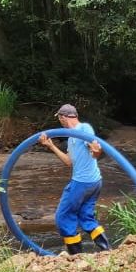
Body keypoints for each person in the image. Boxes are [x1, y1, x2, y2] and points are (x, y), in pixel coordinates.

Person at [39, 104, 110, 254]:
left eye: (59, 118)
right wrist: (51, 146)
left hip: (82, 183)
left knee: (63, 217)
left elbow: (95, 151)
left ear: (63, 117)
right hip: (94, 182)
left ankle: (76, 257)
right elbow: (69, 162)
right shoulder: (71, 137)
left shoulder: (84, 129)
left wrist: (97, 151)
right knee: (85, 216)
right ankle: (106, 250)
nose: (60, 121)